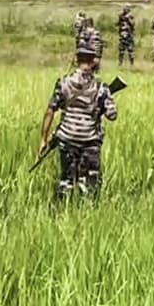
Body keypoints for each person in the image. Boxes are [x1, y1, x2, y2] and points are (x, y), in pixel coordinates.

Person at [38, 45, 119, 201]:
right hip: (90, 141)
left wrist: (43, 139)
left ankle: (60, 212)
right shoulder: (100, 87)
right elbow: (112, 115)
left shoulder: (63, 83)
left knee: (66, 181)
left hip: (67, 138)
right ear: (93, 61)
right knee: (90, 185)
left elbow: (50, 111)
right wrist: (106, 101)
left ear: (77, 59)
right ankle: (87, 216)